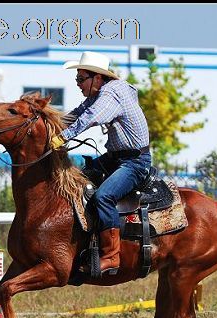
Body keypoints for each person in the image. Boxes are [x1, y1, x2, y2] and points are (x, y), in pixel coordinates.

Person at [51, 51, 151, 276]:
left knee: (103, 196)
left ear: (97, 77)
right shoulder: (101, 93)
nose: (78, 84)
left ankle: (111, 256)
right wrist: (50, 123)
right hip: (116, 158)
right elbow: (77, 113)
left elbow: (90, 117)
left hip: (134, 162)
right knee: (79, 182)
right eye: (76, 79)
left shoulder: (110, 94)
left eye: (80, 78)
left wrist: (62, 137)